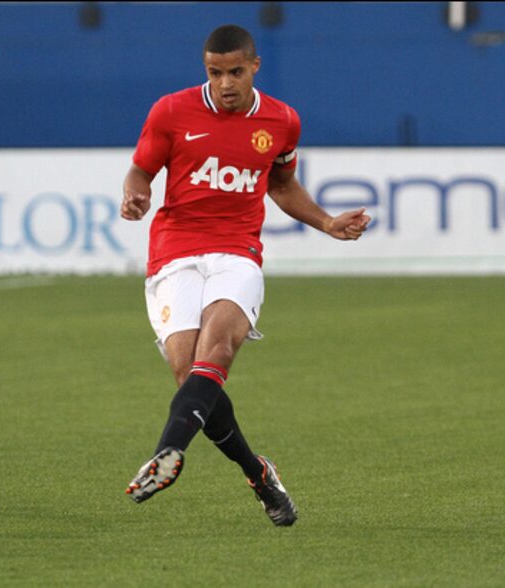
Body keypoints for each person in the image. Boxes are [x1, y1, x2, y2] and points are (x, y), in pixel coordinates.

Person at [121, 24, 370, 526]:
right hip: (174, 252)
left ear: (255, 66)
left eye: (235, 71)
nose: (225, 83)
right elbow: (141, 169)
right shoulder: (171, 111)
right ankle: (259, 474)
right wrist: (136, 192)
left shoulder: (281, 121)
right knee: (188, 373)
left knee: (216, 354)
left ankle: (167, 453)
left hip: (237, 252)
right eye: (215, 73)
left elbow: (281, 184)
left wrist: (326, 222)